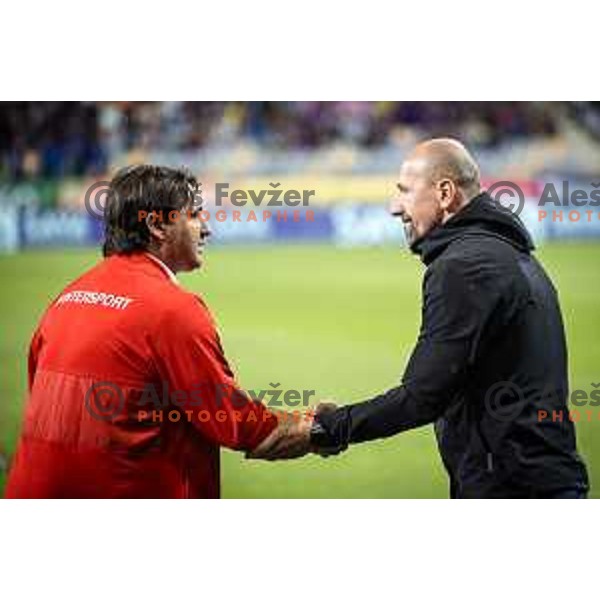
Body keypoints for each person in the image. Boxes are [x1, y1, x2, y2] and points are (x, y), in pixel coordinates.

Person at [250, 138, 590, 499]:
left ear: (445, 193)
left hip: (511, 489)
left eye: (405, 192)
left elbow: (423, 396)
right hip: (546, 480)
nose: (395, 207)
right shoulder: (511, 254)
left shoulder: (464, 267)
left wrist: (325, 429)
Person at [6, 165, 284, 498]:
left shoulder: (65, 299)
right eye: (194, 215)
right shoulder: (172, 309)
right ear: (157, 225)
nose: (207, 229)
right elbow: (237, 424)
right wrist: (327, 426)